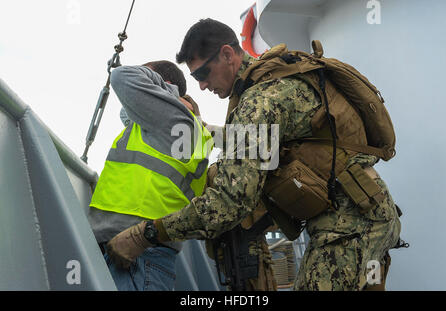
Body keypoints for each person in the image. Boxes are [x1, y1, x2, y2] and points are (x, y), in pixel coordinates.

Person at [106, 18, 401, 291]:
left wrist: (144, 234)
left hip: (348, 228)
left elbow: (229, 202)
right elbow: (261, 143)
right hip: (368, 216)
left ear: (227, 54)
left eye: (202, 73)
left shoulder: (258, 102)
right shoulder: (275, 85)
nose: (202, 86)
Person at [88, 60, 212, 291]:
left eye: (148, 76)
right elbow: (127, 112)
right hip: (136, 249)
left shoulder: (173, 119)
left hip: (139, 252)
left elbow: (122, 76)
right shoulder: (168, 124)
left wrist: (165, 89)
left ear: (164, 85)